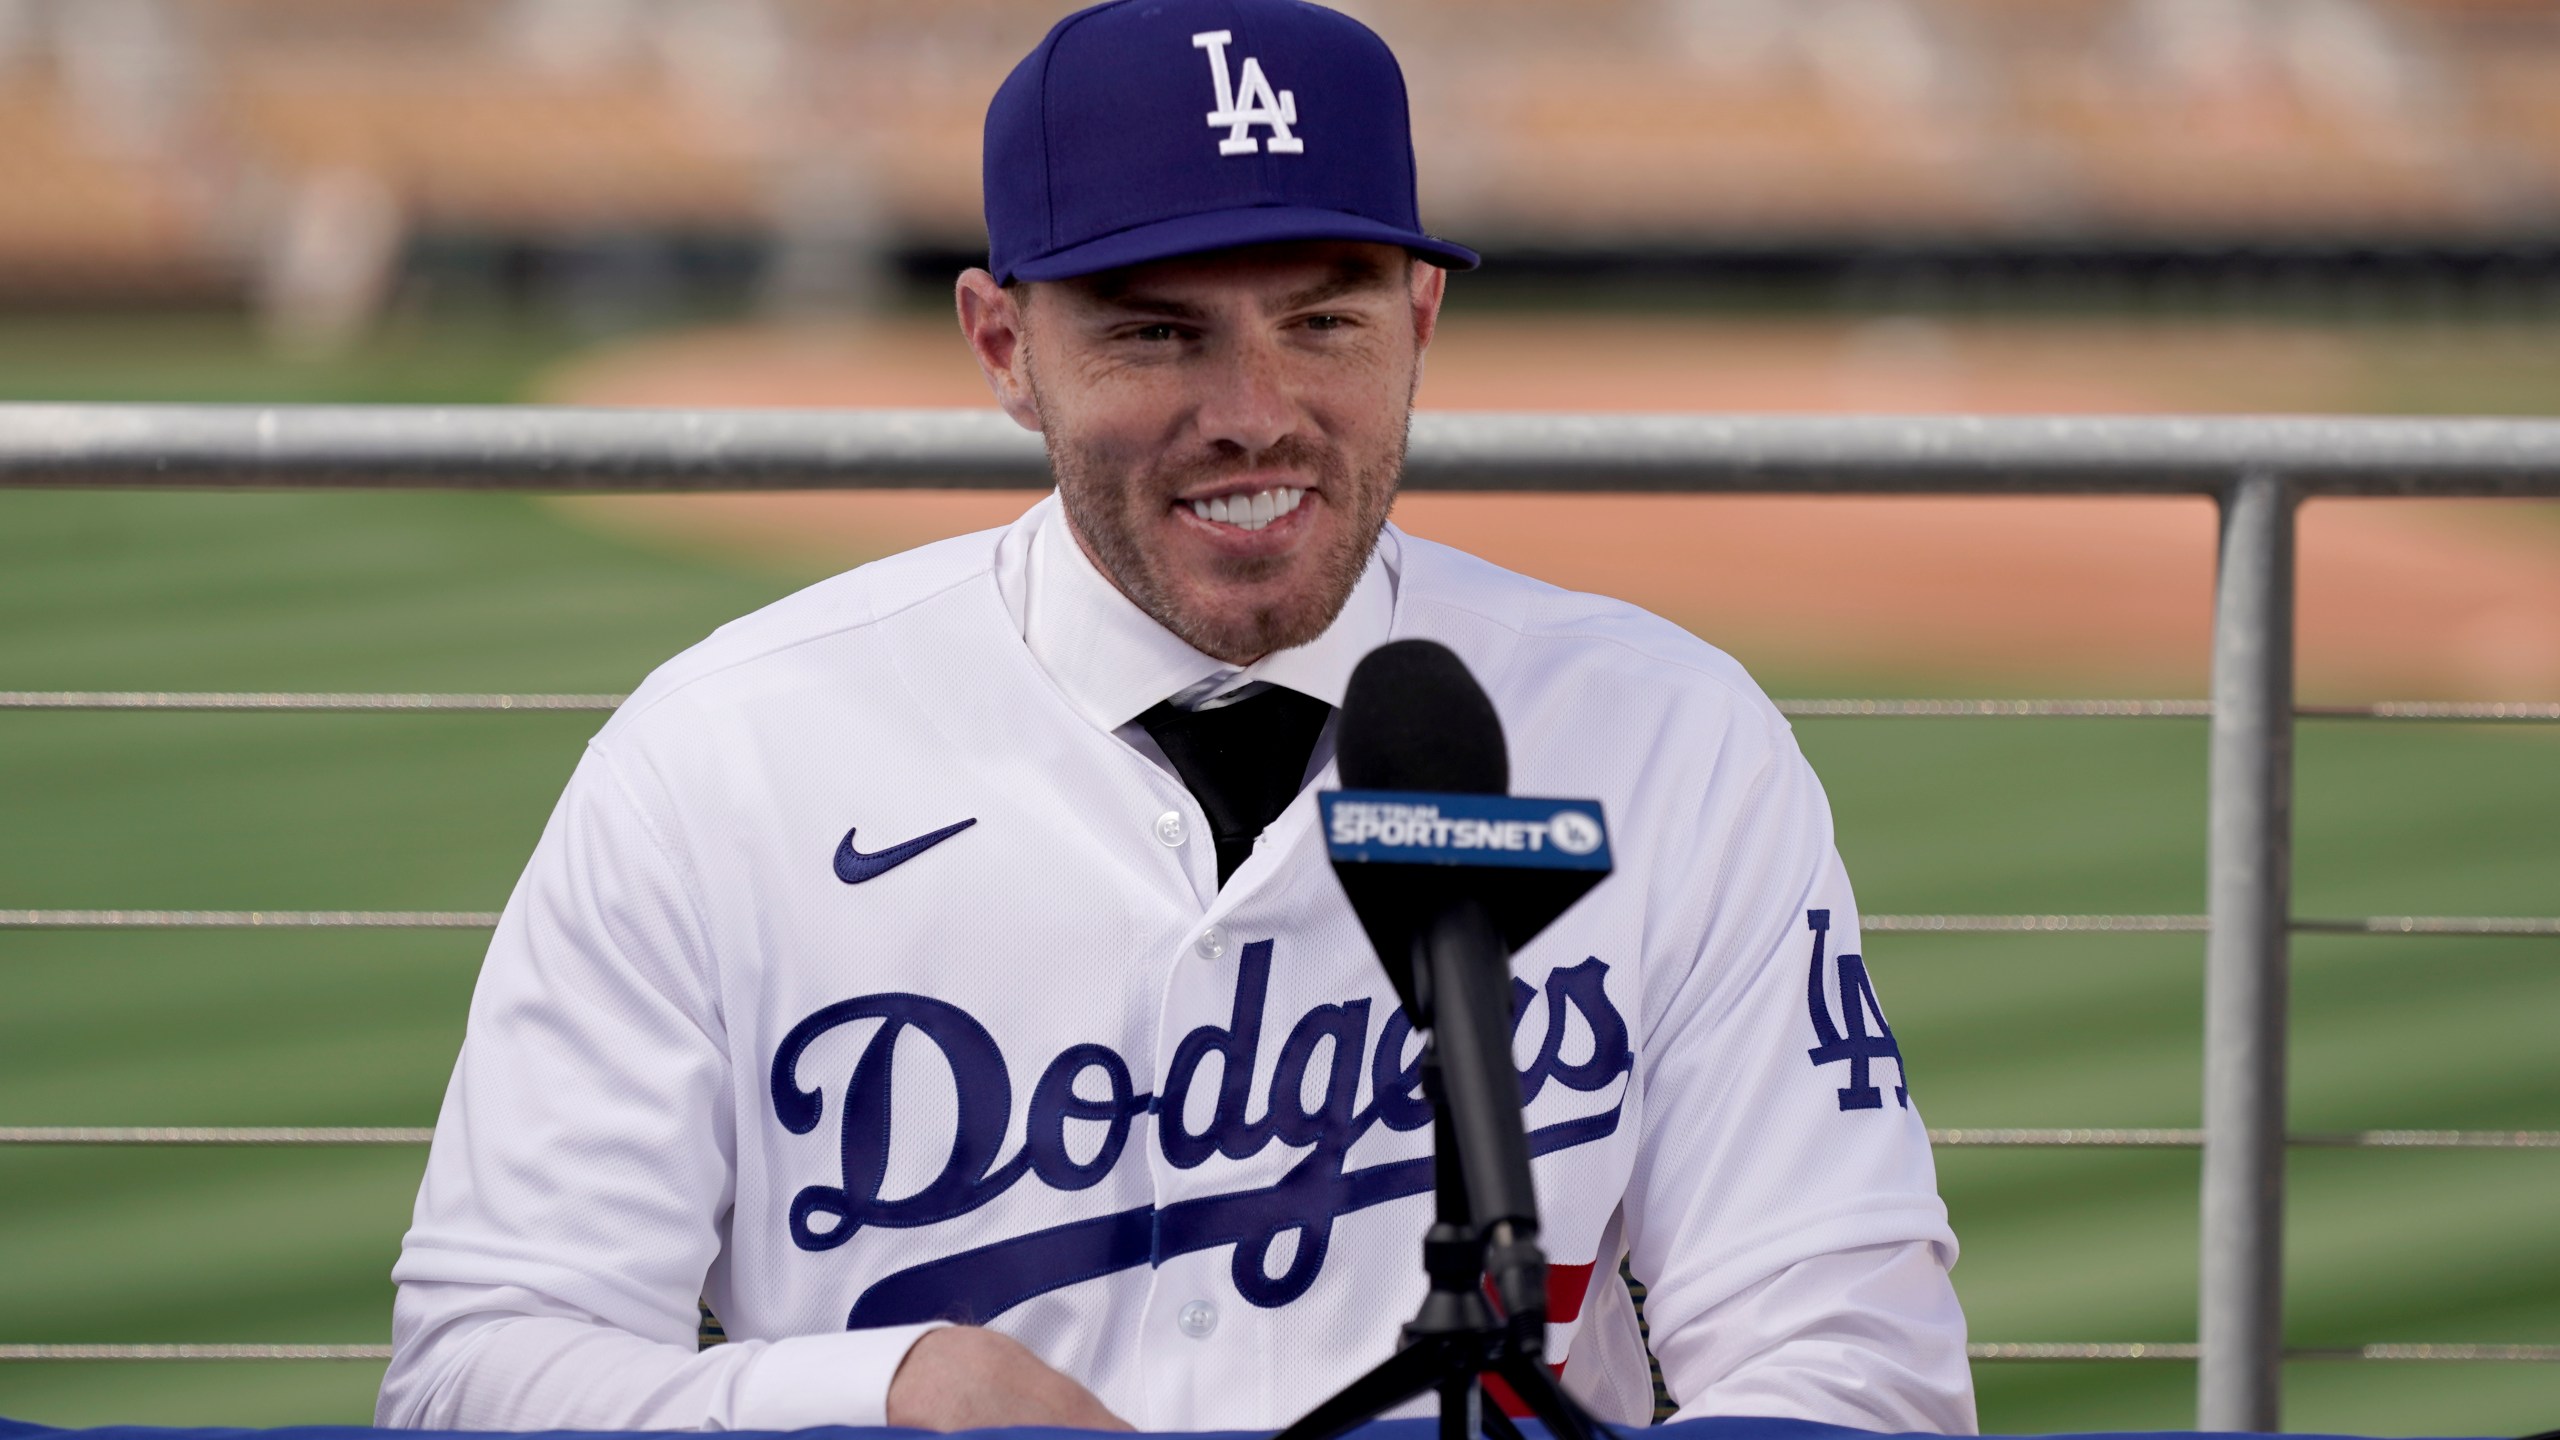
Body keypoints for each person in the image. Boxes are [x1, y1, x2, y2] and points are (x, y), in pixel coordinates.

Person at [376, 0, 1976, 1432]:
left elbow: (1852, 1363)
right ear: (1005, 347)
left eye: (1325, 317)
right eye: (1155, 329)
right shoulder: (719, 759)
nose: (1254, 412)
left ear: (1420, 320)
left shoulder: (1674, 736)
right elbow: (477, 1369)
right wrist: (882, 1394)